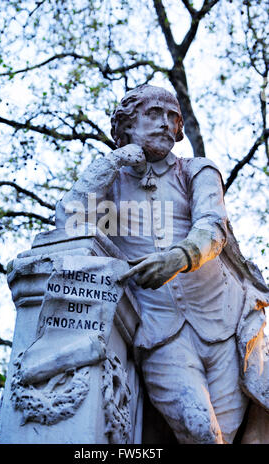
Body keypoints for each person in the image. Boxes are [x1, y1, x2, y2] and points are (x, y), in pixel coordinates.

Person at [56, 84, 269, 444]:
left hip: (224, 322)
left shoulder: (196, 170)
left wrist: (179, 257)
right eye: (153, 114)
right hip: (160, 333)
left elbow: (212, 227)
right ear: (127, 125)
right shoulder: (112, 183)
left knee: (230, 436)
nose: (166, 124)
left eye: (173, 117)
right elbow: (71, 224)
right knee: (200, 431)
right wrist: (115, 160)